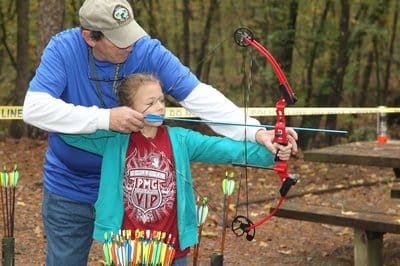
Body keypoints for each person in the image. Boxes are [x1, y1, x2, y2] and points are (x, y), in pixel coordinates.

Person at [22, 0, 297, 264]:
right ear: (90, 37)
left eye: (130, 33)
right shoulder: (63, 48)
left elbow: (199, 96)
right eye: (119, 40)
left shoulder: (146, 50)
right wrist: (106, 118)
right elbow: (35, 108)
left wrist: (258, 133)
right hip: (71, 187)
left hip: (135, 197)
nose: (130, 45)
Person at [60, 73, 292, 265]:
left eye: (161, 100)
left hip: (171, 247)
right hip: (125, 247)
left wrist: (273, 150)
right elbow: (67, 131)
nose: (159, 107)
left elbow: (226, 149)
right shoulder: (113, 139)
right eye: (149, 103)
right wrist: (107, 119)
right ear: (128, 108)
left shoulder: (180, 139)